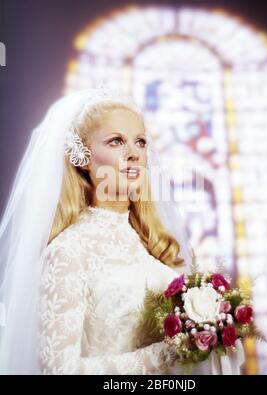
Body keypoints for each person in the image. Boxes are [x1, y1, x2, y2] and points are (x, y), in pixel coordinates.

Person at [0, 88, 244, 375]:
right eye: (116, 141)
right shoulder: (69, 251)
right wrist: (168, 352)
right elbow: (59, 370)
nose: (134, 154)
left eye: (140, 142)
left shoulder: (152, 243)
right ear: (84, 159)